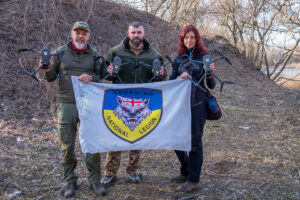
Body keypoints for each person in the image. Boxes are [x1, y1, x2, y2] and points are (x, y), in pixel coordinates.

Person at [41, 21, 106, 198]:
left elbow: (103, 75)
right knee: (66, 144)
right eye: (77, 32)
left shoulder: (94, 54)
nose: (80, 36)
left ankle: (95, 180)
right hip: (67, 104)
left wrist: (92, 76)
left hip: (88, 105)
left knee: (91, 143)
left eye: (84, 33)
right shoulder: (60, 52)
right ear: (71, 34)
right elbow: (51, 77)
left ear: (88, 36)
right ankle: (70, 180)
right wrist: (46, 68)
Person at [100, 21, 166, 187]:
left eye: (139, 32)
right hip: (119, 102)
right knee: (115, 136)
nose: (136, 35)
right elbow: (101, 71)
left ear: (143, 34)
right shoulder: (116, 51)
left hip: (141, 103)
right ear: (128, 33)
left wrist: (161, 74)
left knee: (136, 138)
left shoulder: (154, 54)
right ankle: (109, 173)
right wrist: (106, 71)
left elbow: (163, 77)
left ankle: (132, 171)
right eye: (133, 32)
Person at [169, 25, 216, 192]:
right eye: (186, 38)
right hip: (180, 104)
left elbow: (211, 84)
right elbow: (171, 82)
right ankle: (185, 171)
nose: (189, 40)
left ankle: (193, 179)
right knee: (176, 139)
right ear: (182, 40)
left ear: (197, 39)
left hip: (198, 103)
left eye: (192, 37)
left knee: (195, 141)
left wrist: (210, 73)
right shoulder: (178, 59)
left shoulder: (205, 57)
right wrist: (180, 78)